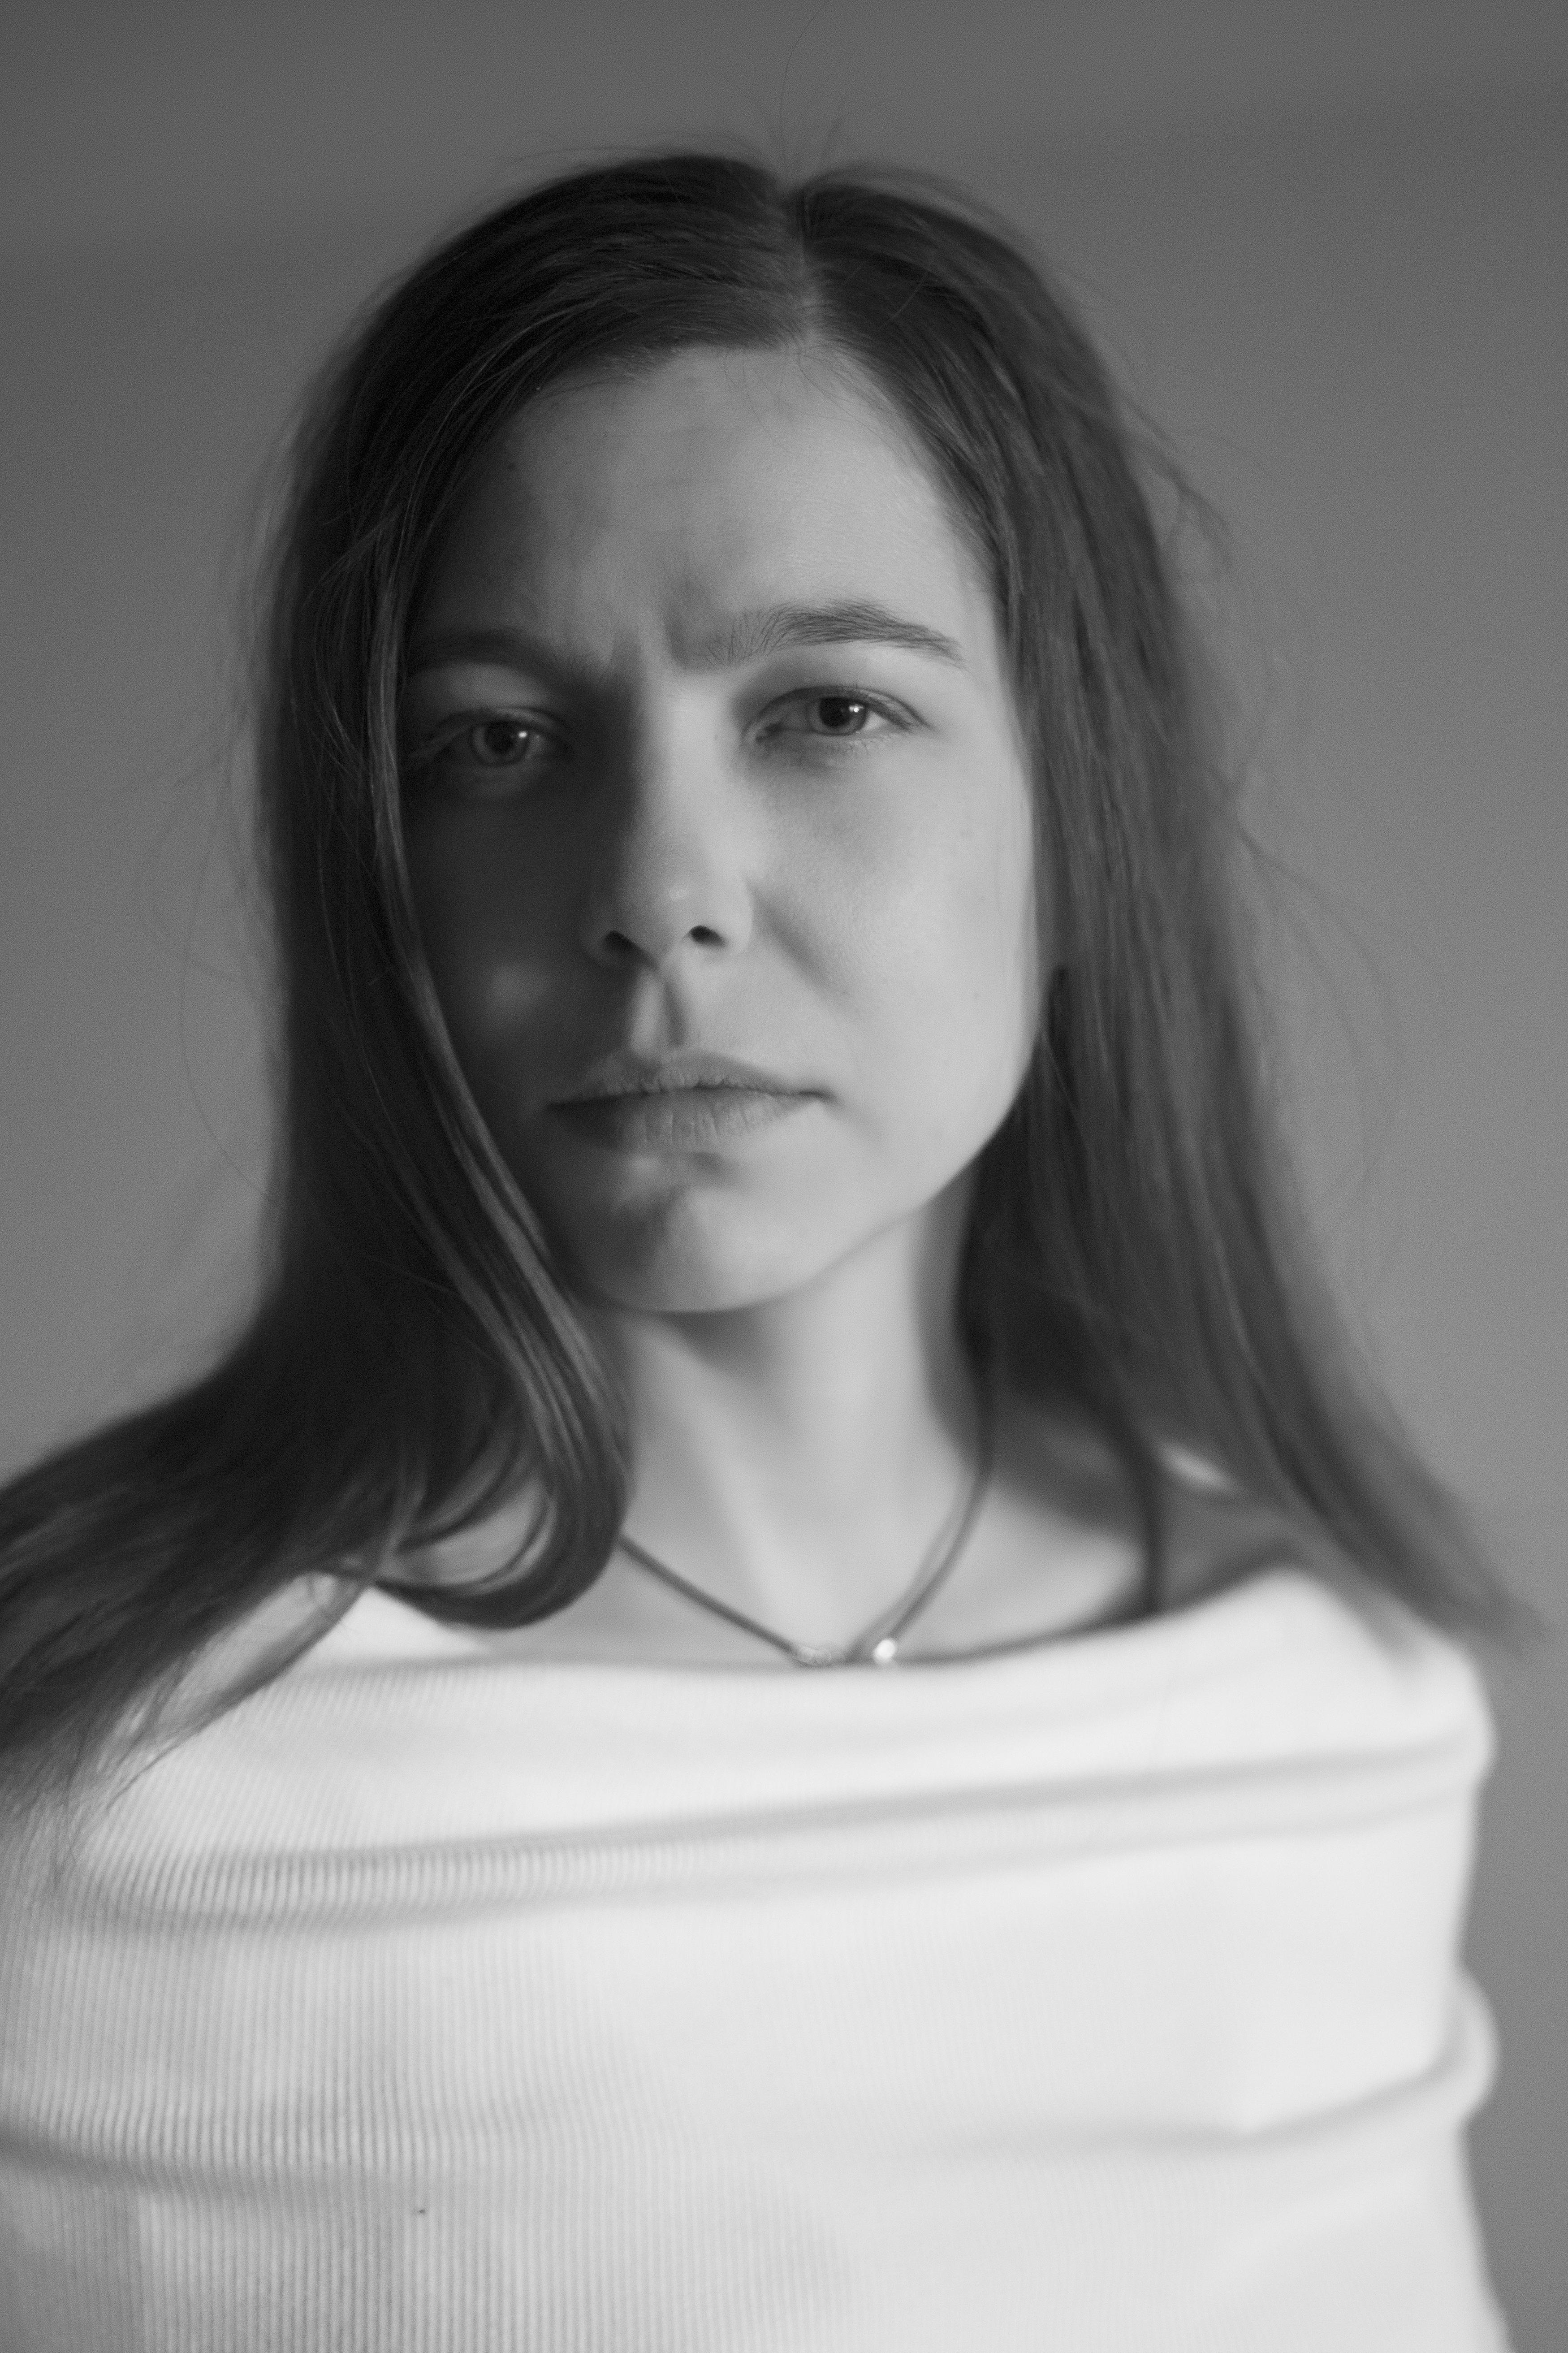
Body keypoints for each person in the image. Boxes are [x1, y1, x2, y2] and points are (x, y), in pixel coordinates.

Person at [0, 148, 1534, 2350]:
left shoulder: (1339, 1704)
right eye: (496, 741)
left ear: (1081, 819)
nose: (657, 887)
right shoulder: (103, 1781)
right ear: (375, 871)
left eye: (824, 709)